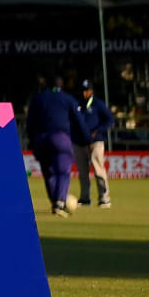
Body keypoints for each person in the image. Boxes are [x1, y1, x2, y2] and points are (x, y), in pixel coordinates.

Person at [27, 76, 86, 216]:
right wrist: (87, 139)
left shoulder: (38, 98)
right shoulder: (67, 99)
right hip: (60, 138)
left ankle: (55, 201)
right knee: (63, 172)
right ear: (62, 86)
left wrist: (32, 141)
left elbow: (30, 122)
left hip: (40, 139)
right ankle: (59, 202)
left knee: (49, 173)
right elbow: (79, 121)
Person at [76, 79, 112, 208]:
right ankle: (85, 198)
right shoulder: (78, 104)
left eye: (87, 90)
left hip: (96, 141)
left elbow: (110, 119)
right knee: (83, 172)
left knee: (98, 169)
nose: (85, 93)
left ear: (92, 91)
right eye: (83, 90)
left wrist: (98, 131)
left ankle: (104, 198)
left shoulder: (98, 104)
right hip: (80, 142)